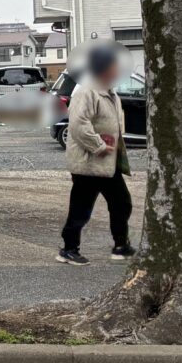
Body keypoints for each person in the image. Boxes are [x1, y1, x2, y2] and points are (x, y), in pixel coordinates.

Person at [58, 43, 135, 265]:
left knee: (122, 203)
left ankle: (121, 245)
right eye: (113, 65)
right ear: (102, 67)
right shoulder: (87, 92)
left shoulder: (109, 91)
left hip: (107, 163)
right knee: (81, 209)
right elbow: (78, 125)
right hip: (89, 162)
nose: (117, 69)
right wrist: (99, 145)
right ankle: (69, 249)